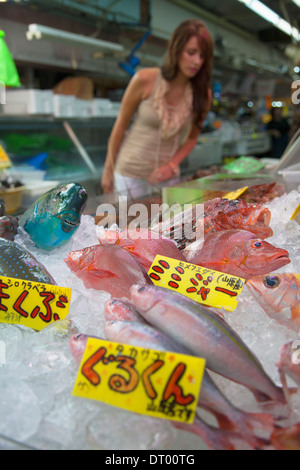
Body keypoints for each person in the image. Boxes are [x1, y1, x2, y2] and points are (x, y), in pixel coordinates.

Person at [101, 19, 214, 198]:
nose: (197, 62)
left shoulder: (202, 94)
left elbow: (192, 138)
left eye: (202, 56)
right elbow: (121, 124)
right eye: (191, 53)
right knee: (130, 224)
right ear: (175, 49)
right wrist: (108, 169)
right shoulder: (145, 79)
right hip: (129, 174)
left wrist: (171, 166)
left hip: (166, 178)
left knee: (165, 225)